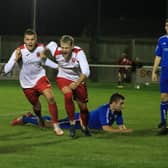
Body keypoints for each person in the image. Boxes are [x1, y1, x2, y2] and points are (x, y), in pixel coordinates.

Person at [4, 28, 64, 136]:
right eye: (27, 39)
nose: (30, 42)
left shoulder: (40, 48)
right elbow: (6, 70)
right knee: (37, 107)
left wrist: (58, 66)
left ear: (36, 39)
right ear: (24, 40)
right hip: (26, 84)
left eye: (32, 39)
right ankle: (39, 119)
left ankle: (56, 126)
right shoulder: (19, 51)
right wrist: (15, 59)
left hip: (39, 78)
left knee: (50, 97)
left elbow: (44, 60)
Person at [40, 35, 91, 137]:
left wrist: (76, 84)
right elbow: (51, 44)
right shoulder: (56, 51)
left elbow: (86, 72)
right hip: (63, 78)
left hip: (78, 80)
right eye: (62, 47)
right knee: (67, 95)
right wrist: (43, 52)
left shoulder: (79, 53)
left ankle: (84, 126)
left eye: (66, 48)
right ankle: (72, 124)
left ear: (72, 46)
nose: (63, 50)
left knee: (84, 108)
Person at [11, 93, 132, 133]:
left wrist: (124, 130)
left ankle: (31, 116)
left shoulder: (117, 113)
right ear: (113, 103)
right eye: (121, 103)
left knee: (55, 121)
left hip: (83, 126)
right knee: (49, 125)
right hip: (77, 120)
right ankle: (25, 119)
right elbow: (106, 128)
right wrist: (120, 131)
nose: (123, 106)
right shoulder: (104, 110)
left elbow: (121, 127)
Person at [152, 18, 168, 134]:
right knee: (163, 97)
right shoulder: (161, 40)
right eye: (166, 25)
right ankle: (163, 123)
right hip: (165, 71)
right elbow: (158, 56)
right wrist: (154, 71)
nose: (167, 27)